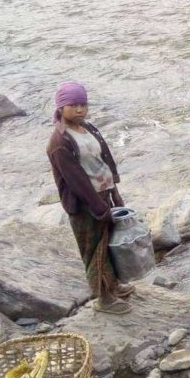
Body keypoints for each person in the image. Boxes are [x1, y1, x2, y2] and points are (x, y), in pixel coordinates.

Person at [46, 82, 132, 315]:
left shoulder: (88, 128)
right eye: (73, 105)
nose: (80, 110)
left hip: (103, 194)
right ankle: (103, 298)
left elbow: (103, 159)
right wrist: (99, 207)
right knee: (94, 249)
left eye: (83, 104)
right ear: (61, 108)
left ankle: (113, 285)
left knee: (108, 243)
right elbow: (76, 181)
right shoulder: (59, 142)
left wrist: (114, 190)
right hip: (85, 203)